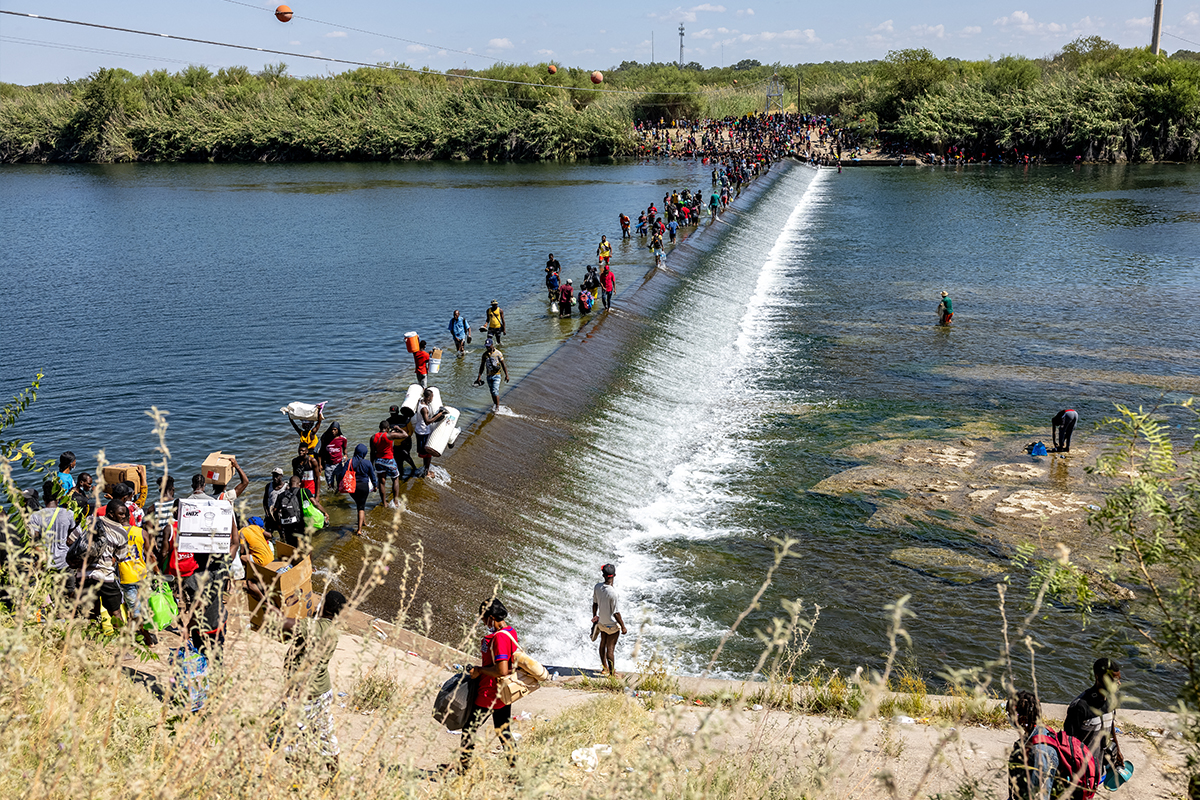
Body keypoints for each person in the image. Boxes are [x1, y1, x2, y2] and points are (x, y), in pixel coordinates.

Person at [280, 590, 346, 782]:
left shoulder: (316, 627)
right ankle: (334, 779)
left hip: (304, 696)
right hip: (322, 691)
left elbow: (282, 623)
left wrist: (260, 596)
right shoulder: (330, 628)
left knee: (290, 740)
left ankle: (297, 782)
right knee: (326, 737)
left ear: (324, 606)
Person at [459, 599, 519, 772]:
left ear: (491, 618)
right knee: (503, 731)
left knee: (469, 728)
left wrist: (479, 670)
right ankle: (515, 771)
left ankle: (463, 769)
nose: (484, 623)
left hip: (490, 692)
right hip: (503, 692)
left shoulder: (499, 637)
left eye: (484, 620)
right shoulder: (510, 632)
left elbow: (501, 669)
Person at [1064, 657, 1124, 776]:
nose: (1118, 684)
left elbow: (1110, 727)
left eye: (1119, 679)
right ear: (1098, 677)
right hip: (1080, 772)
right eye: (1113, 680)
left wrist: (1117, 751)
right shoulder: (1080, 707)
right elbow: (1068, 743)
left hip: (1098, 770)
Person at [114, 498, 156, 646]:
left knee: (134, 609)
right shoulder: (141, 532)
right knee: (143, 607)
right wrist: (157, 573)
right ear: (131, 517)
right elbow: (150, 555)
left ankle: (143, 636)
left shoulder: (115, 534)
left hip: (126, 577)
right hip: (142, 575)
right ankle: (144, 635)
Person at [28, 477, 83, 581]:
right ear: (59, 497)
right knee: (70, 591)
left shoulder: (35, 516)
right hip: (65, 561)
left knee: (49, 593)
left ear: (44, 497)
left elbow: (34, 541)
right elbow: (71, 538)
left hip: (46, 563)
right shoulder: (69, 513)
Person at [591, 563, 627, 676]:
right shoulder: (613, 593)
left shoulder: (597, 587)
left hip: (601, 623)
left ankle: (604, 668)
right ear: (614, 575)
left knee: (602, 644)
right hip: (612, 625)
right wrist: (623, 626)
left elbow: (594, 604)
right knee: (610, 649)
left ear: (603, 575)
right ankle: (612, 674)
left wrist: (595, 617)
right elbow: (616, 613)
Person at [333, 445, 377, 536]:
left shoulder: (349, 462)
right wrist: (375, 486)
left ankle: (364, 522)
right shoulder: (367, 463)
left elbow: (341, 474)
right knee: (361, 507)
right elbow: (373, 476)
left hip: (352, 487)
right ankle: (359, 529)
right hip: (363, 487)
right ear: (364, 453)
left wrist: (338, 485)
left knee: (360, 504)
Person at [412, 389, 448, 478]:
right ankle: (426, 472)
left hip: (419, 429)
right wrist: (438, 415)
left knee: (425, 451)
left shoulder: (420, 401)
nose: (432, 398)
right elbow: (427, 422)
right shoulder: (424, 409)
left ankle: (425, 469)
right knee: (428, 453)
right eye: (432, 397)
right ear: (428, 397)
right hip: (423, 431)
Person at [371, 420, 408, 505]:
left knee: (381, 482)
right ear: (387, 428)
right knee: (395, 479)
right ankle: (395, 501)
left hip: (378, 461)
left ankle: (384, 503)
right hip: (389, 460)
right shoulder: (390, 435)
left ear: (379, 427)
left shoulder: (373, 437)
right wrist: (398, 428)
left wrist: (371, 463)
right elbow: (405, 435)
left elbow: (372, 453)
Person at [474, 339, 509, 413]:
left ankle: (497, 408)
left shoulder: (498, 353)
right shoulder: (484, 355)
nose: (487, 348)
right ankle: (495, 404)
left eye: (489, 346)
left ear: (492, 345)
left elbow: (503, 365)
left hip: (497, 376)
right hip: (489, 376)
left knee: (495, 390)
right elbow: (482, 366)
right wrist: (479, 377)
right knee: (492, 392)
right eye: (486, 347)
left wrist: (506, 375)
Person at [273, 476, 306, 548]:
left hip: (286, 524)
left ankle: (293, 558)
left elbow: (275, 511)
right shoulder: (302, 492)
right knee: (304, 545)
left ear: (289, 484)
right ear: (299, 484)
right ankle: (305, 558)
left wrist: (279, 523)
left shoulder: (281, 495)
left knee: (291, 546)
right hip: (299, 523)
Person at [387, 406, 418, 478]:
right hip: (396, 443)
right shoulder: (388, 421)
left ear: (397, 413)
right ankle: (401, 474)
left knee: (405, 455)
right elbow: (387, 434)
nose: (392, 415)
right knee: (398, 459)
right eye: (391, 413)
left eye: (394, 413)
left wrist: (406, 440)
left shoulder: (405, 419)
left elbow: (410, 431)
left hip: (406, 442)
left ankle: (414, 468)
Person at [318, 422, 348, 487]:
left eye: (335, 429)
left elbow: (345, 448)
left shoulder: (343, 439)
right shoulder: (325, 438)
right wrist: (320, 464)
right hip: (328, 465)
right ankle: (330, 496)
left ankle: (337, 496)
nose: (333, 431)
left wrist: (345, 455)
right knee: (330, 485)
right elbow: (321, 452)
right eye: (332, 429)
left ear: (338, 430)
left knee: (339, 484)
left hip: (338, 464)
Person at [262, 468, 288, 534]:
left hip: (281, 515)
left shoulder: (286, 487)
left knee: (282, 533)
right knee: (268, 533)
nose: (275, 478)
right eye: (273, 476)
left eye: (277, 476)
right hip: (270, 514)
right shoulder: (268, 486)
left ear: (281, 476)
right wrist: (267, 512)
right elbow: (265, 501)